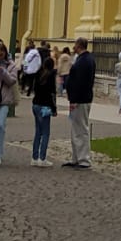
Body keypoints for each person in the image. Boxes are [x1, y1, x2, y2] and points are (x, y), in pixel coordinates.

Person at [62, 37, 95, 169]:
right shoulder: (85, 59)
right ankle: (76, 157)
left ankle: (84, 159)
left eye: (75, 45)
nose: (73, 47)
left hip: (80, 99)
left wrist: (74, 99)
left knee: (81, 129)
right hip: (80, 99)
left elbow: (79, 82)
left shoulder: (84, 61)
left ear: (79, 46)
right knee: (76, 130)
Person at [31, 48, 57, 165]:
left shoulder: (38, 75)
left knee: (38, 132)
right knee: (46, 132)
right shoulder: (50, 77)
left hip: (36, 104)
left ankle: (34, 157)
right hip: (45, 106)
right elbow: (52, 94)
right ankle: (42, 158)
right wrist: (54, 109)